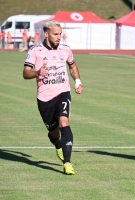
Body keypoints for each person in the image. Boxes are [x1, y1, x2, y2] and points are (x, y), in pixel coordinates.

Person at [22, 20, 83, 175]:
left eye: (60, 34)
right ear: (46, 33)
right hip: (44, 98)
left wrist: (77, 81)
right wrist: (36, 73)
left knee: (64, 122)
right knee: (54, 132)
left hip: (63, 92)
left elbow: (72, 65)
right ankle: (57, 145)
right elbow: (25, 73)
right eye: (56, 34)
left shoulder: (66, 49)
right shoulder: (35, 50)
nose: (59, 37)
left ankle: (67, 163)